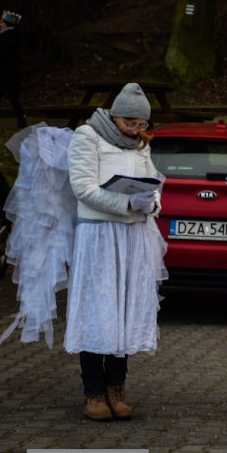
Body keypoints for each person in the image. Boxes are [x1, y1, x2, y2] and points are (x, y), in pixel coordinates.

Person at [64, 83, 165, 421]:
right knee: (98, 308)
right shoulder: (88, 135)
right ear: (115, 115)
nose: (135, 130)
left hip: (133, 235)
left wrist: (150, 203)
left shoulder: (140, 145)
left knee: (124, 307)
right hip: (99, 235)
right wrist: (125, 202)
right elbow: (82, 187)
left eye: (141, 125)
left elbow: (152, 182)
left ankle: (116, 387)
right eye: (130, 123)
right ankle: (93, 392)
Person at [0, 11, 27, 128]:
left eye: (1, 22)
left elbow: (4, 54)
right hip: (7, 73)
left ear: (7, 24)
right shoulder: (7, 36)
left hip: (7, 73)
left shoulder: (9, 37)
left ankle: (22, 120)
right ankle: (21, 120)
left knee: (8, 97)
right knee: (12, 98)